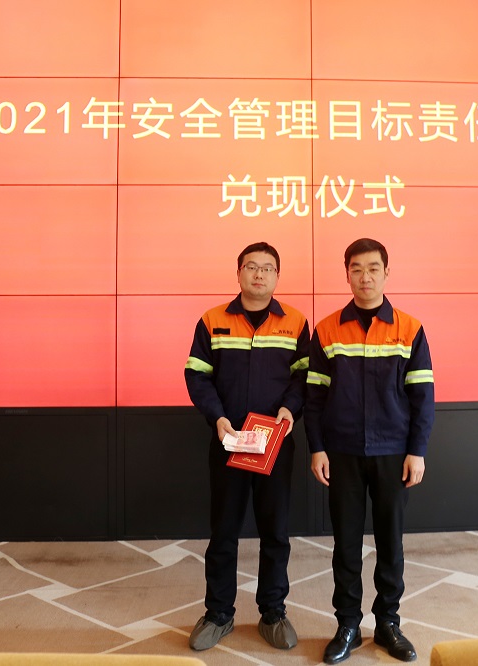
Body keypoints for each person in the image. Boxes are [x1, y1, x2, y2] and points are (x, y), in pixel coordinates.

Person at [306, 238, 435, 664]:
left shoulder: (410, 329)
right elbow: (314, 398)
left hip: (393, 452)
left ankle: (388, 624)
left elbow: (422, 397)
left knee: (390, 543)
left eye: (373, 268)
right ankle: (347, 625)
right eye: (357, 269)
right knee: (345, 544)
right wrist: (317, 448)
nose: (365, 277)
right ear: (346, 274)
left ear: (386, 273)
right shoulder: (327, 329)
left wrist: (417, 451)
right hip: (341, 452)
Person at [184, 241, 310, 652]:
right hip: (229, 441)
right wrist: (217, 418)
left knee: (275, 531)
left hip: (275, 444)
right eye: (251, 267)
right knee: (224, 531)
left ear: (277, 276)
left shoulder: (295, 322)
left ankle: (273, 611)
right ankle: (219, 613)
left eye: (267, 268)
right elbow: (197, 375)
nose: (259, 274)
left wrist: (290, 410)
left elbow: (304, 377)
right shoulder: (213, 320)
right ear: (238, 272)